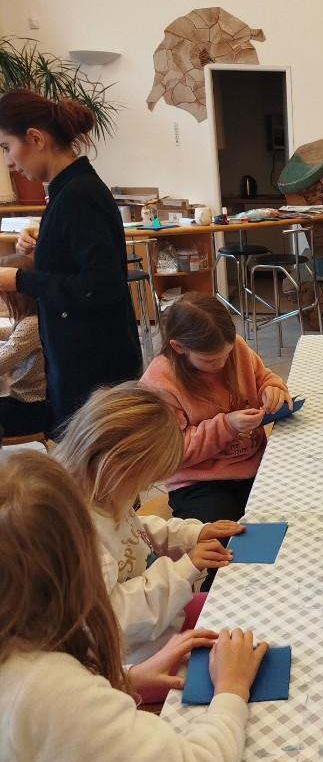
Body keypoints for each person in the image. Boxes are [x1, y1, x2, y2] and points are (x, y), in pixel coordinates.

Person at [0, 451, 267, 762]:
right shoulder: (49, 690)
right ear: (76, 567)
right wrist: (231, 689)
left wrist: (125, 679)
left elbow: (36, 734)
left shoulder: (24, 660)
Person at [54, 383, 245, 669]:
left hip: (164, 622)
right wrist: (185, 569)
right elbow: (117, 617)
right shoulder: (79, 535)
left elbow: (137, 532)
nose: (145, 489)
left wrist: (194, 534)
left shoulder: (103, 493)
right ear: (114, 465)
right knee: (231, 666)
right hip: (139, 661)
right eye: (144, 480)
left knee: (237, 610)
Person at [0, 89, 141, 434]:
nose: (8, 161)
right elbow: (75, 259)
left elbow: (100, 286)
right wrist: (41, 242)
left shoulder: (78, 194)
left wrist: (18, 279)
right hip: (82, 357)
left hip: (93, 366)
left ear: (35, 138)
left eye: (6, 147)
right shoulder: (68, 189)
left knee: (97, 460)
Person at [140, 293, 292, 523]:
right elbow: (172, 452)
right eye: (210, 361)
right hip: (198, 482)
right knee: (222, 536)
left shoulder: (235, 348)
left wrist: (271, 389)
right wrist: (227, 426)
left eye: (226, 355)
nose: (221, 364)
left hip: (254, 465)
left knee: (289, 516)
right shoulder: (159, 382)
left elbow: (263, 377)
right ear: (178, 347)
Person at [0, 254, 47, 437]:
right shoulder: (33, 318)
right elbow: (12, 333)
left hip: (30, 409)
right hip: (25, 403)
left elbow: (2, 362)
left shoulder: (31, 325)